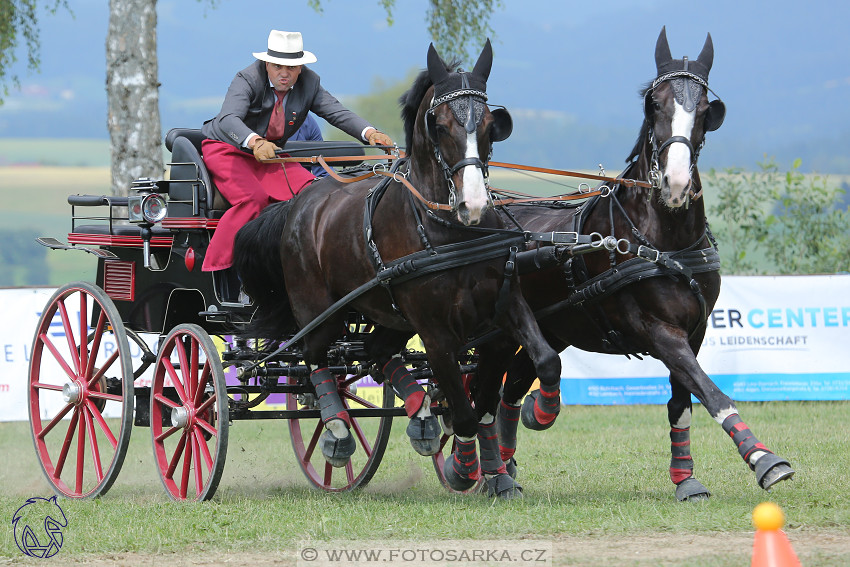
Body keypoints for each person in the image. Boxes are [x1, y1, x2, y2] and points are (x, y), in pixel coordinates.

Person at [200, 29, 394, 272]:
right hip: (227, 149)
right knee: (252, 199)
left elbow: (336, 112)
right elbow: (228, 119)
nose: (284, 73)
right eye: (278, 66)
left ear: (300, 68)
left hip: (269, 155)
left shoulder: (309, 82)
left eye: (291, 67)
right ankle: (221, 267)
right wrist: (255, 142)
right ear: (267, 63)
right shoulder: (247, 78)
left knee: (313, 191)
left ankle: (301, 262)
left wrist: (369, 132)